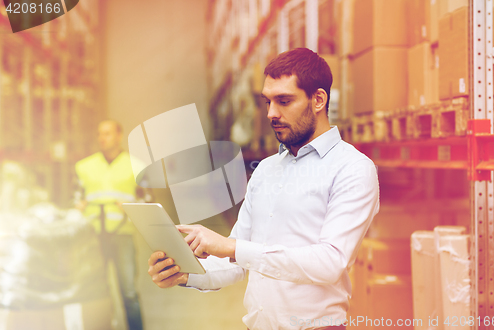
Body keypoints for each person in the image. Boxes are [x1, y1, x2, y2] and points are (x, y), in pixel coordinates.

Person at [147, 48, 380, 330]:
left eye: (284, 101)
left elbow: (331, 262)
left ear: (318, 99)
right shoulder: (267, 170)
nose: (271, 113)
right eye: (267, 102)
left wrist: (231, 246)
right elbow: (238, 262)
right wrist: (184, 273)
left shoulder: (352, 168)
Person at [75, 120, 145, 330]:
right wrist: (77, 205)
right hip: (94, 237)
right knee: (98, 292)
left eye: (106, 133)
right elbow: (75, 198)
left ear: (118, 135)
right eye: (99, 133)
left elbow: (148, 202)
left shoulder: (136, 166)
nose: (102, 138)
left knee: (129, 292)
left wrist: (132, 206)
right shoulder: (84, 167)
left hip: (123, 235)